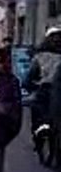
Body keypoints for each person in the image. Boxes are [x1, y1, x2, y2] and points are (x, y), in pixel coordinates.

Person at [25, 27, 61, 156]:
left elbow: (30, 76)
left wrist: (28, 85)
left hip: (44, 91)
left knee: (38, 117)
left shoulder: (39, 57)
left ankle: (38, 138)